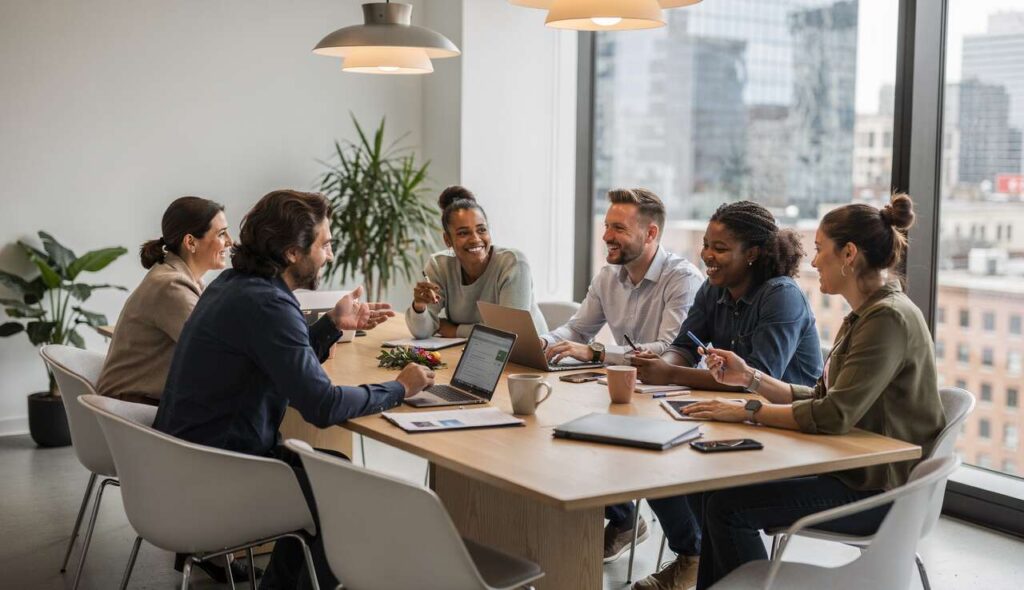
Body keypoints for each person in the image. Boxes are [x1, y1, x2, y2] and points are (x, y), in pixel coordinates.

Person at [153, 190, 436, 590]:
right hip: (218, 473)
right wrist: (399, 388)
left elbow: (276, 360)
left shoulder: (234, 284)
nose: (330, 256)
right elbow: (321, 405)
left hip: (187, 458)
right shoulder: (269, 304)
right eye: (325, 245)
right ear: (291, 252)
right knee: (344, 491)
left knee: (333, 469)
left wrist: (333, 325)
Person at [681, 194, 945, 589]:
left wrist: (747, 410)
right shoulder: (865, 315)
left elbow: (831, 415)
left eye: (821, 250)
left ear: (849, 254)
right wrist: (750, 378)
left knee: (726, 506)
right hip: (855, 473)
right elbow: (821, 396)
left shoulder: (887, 319)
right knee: (716, 494)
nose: (814, 260)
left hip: (880, 492)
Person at [629, 201, 823, 590]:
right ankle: (699, 562)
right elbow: (683, 345)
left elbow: (749, 378)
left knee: (710, 491)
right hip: (738, 417)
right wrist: (660, 364)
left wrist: (669, 372)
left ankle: (722, 573)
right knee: (650, 458)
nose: (707, 255)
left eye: (719, 248)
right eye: (705, 244)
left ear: (752, 253)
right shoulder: (713, 290)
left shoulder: (780, 295)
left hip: (789, 428)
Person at [539, 188, 704, 564]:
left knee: (653, 458)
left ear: (650, 234)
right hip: (625, 391)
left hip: (672, 394)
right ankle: (625, 518)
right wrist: (544, 341)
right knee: (559, 429)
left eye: (618, 228)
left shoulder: (682, 280)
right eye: (606, 226)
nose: (606, 236)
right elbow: (577, 329)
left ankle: (692, 555)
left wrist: (597, 352)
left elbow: (668, 348)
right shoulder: (608, 276)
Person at [97, 196, 231, 406]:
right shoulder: (171, 286)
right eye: (222, 234)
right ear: (190, 242)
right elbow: (214, 349)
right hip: (133, 408)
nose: (230, 242)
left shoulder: (177, 277)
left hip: (138, 402)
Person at [407, 185, 546, 338]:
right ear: (447, 240)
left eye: (481, 230)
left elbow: (508, 334)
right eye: (463, 233)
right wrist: (419, 307)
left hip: (527, 356)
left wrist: (455, 330)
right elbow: (422, 332)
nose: (475, 239)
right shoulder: (439, 266)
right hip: (473, 351)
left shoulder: (513, 263)